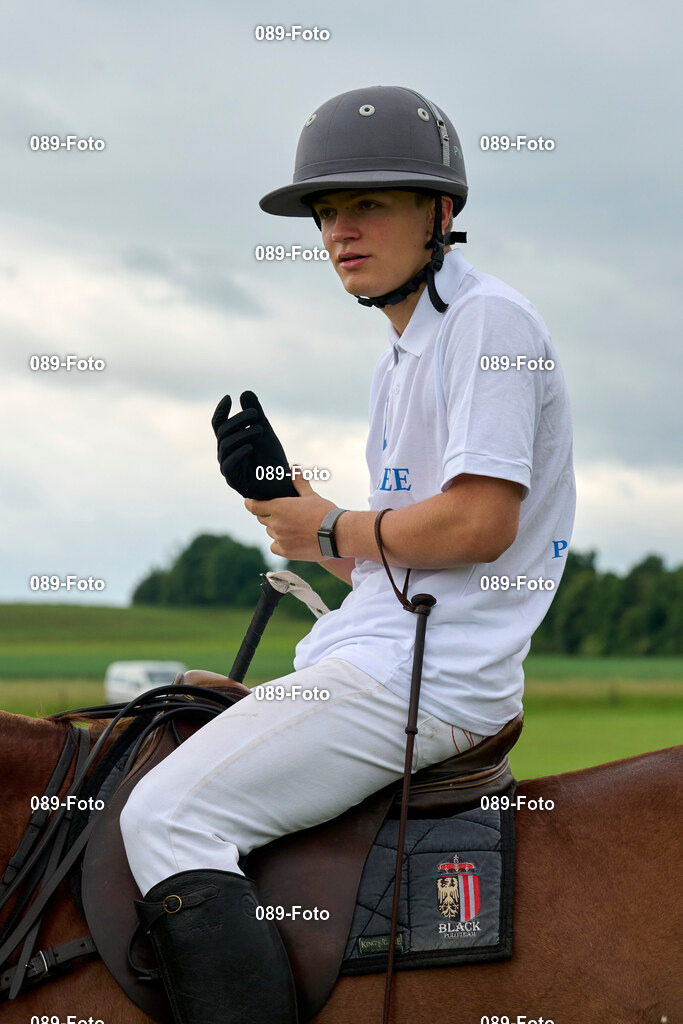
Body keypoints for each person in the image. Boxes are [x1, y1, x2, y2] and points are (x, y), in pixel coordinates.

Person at [120, 85, 575, 1024]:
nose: (339, 232)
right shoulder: (401, 351)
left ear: (439, 214)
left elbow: (479, 525)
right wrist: (280, 498)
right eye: (326, 213)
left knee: (166, 817)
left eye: (367, 204)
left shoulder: (491, 324)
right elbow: (394, 567)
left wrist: (330, 525)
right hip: (376, 653)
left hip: (426, 682)